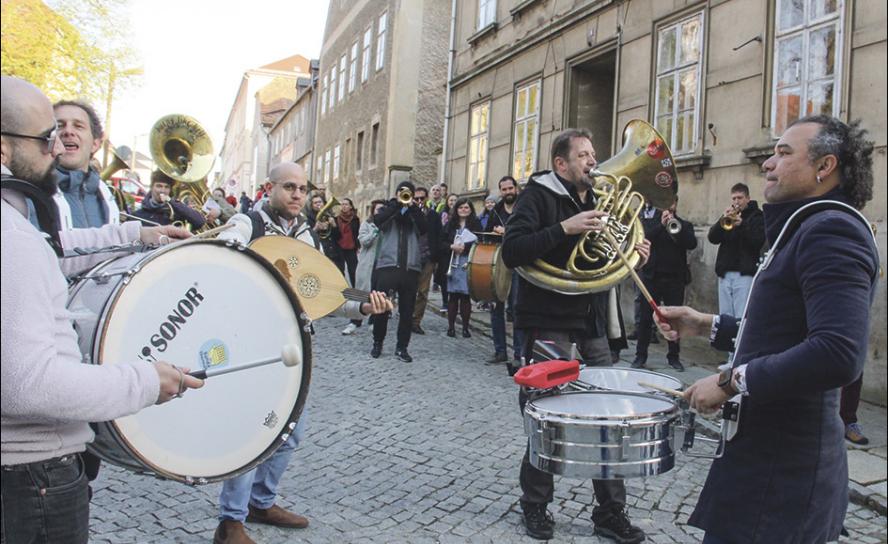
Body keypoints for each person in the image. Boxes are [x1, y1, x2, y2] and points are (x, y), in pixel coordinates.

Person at [656, 116, 878, 544]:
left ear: (824, 166)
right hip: (763, 462)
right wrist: (707, 325)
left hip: (785, 474)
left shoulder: (831, 230)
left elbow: (837, 352)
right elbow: (783, 332)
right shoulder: (807, 226)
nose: (767, 164)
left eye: (783, 152)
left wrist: (728, 381)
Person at [1, 75, 203, 544]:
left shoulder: (18, 230)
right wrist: (148, 380)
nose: (57, 146)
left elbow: (54, 247)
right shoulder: (12, 238)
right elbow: (29, 386)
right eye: (46, 136)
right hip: (31, 480)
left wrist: (135, 235)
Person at [215, 163, 391, 544]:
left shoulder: (306, 236)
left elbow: (326, 293)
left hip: (292, 348)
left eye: (302, 189)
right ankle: (230, 522)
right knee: (253, 433)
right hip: (251, 346)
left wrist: (364, 304)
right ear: (269, 188)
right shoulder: (249, 225)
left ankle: (260, 502)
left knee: (289, 433)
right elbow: (220, 258)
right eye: (288, 187)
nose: (297, 195)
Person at [502, 129, 649, 543]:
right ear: (561, 164)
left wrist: (631, 252)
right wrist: (564, 228)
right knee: (547, 415)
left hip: (592, 323)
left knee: (609, 417)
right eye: (583, 155)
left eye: (593, 153)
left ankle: (610, 512)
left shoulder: (600, 199)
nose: (592, 161)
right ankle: (535, 505)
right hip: (548, 319)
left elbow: (604, 259)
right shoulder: (539, 195)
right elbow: (512, 251)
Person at [632, 196, 696, 371]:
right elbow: (643, 239)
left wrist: (677, 229)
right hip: (652, 278)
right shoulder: (652, 223)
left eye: (671, 203)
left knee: (673, 320)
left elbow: (691, 243)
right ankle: (640, 356)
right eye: (665, 204)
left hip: (675, 280)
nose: (669, 207)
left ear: (675, 204)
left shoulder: (685, 225)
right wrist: (661, 225)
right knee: (645, 319)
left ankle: (674, 357)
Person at [370, 180, 428, 362]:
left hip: (410, 269)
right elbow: (379, 221)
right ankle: (377, 343)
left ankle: (402, 347)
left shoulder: (415, 212)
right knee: (381, 308)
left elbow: (424, 228)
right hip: (388, 266)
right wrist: (396, 204)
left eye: (408, 193)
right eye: (402, 192)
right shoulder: (388, 210)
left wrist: (411, 207)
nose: (405, 195)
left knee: (406, 311)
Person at [52, 100, 120, 229]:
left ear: (95, 144)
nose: (68, 131)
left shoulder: (108, 197)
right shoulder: (29, 194)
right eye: (59, 126)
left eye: (78, 126)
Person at [707, 182, 764, 321]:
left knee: (741, 316)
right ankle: (726, 343)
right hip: (725, 273)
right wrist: (722, 219)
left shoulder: (757, 216)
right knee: (725, 316)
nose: (736, 202)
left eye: (740, 198)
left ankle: (739, 343)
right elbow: (712, 238)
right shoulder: (729, 216)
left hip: (744, 274)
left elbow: (757, 241)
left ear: (748, 198)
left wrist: (742, 225)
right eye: (734, 198)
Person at [484, 175, 524, 366]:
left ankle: (518, 354)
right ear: (500, 191)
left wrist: (506, 231)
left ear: (516, 188)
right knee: (495, 308)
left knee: (516, 309)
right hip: (498, 263)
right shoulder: (496, 211)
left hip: (519, 264)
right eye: (504, 189)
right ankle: (500, 351)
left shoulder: (524, 208)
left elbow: (528, 234)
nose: (508, 192)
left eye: (510, 188)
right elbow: (488, 236)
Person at [343, 199, 387, 335]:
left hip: (381, 264)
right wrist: (375, 232)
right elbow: (364, 241)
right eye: (377, 209)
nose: (380, 212)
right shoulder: (367, 225)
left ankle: (374, 321)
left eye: (383, 210)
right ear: (373, 210)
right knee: (360, 293)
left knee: (377, 293)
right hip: (367, 263)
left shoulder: (388, 226)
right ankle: (354, 321)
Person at [440, 197, 482, 338]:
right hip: (453, 263)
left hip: (467, 262)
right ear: (456, 209)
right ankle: (451, 327)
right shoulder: (450, 225)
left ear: (470, 210)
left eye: (466, 208)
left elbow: (479, 242)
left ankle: (465, 327)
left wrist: (465, 247)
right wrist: (452, 246)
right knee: (453, 296)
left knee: (465, 296)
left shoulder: (476, 224)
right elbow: (442, 242)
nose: (463, 210)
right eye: (461, 207)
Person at [410, 186, 441, 336]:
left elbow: (438, 235)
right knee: (409, 290)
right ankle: (406, 317)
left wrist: (436, 256)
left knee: (423, 291)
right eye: (416, 199)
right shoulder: (408, 213)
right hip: (411, 256)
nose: (419, 201)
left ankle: (416, 321)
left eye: (422, 198)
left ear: (427, 198)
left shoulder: (434, 215)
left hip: (428, 257)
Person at [132, 170, 206, 229]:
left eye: (166, 187)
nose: (162, 191)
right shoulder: (138, 214)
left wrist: (171, 201)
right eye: (159, 186)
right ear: (151, 188)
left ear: (170, 190)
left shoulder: (176, 212)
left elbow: (200, 221)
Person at [334, 197, 360, 286]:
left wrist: (357, 246)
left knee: (353, 270)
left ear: (350, 207)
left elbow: (356, 233)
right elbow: (335, 233)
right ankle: (341, 287)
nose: (344, 206)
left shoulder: (355, 219)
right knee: (340, 269)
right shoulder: (336, 219)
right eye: (342, 204)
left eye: (346, 204)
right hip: (339, 247)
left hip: (351, 248)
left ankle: (355, 287)